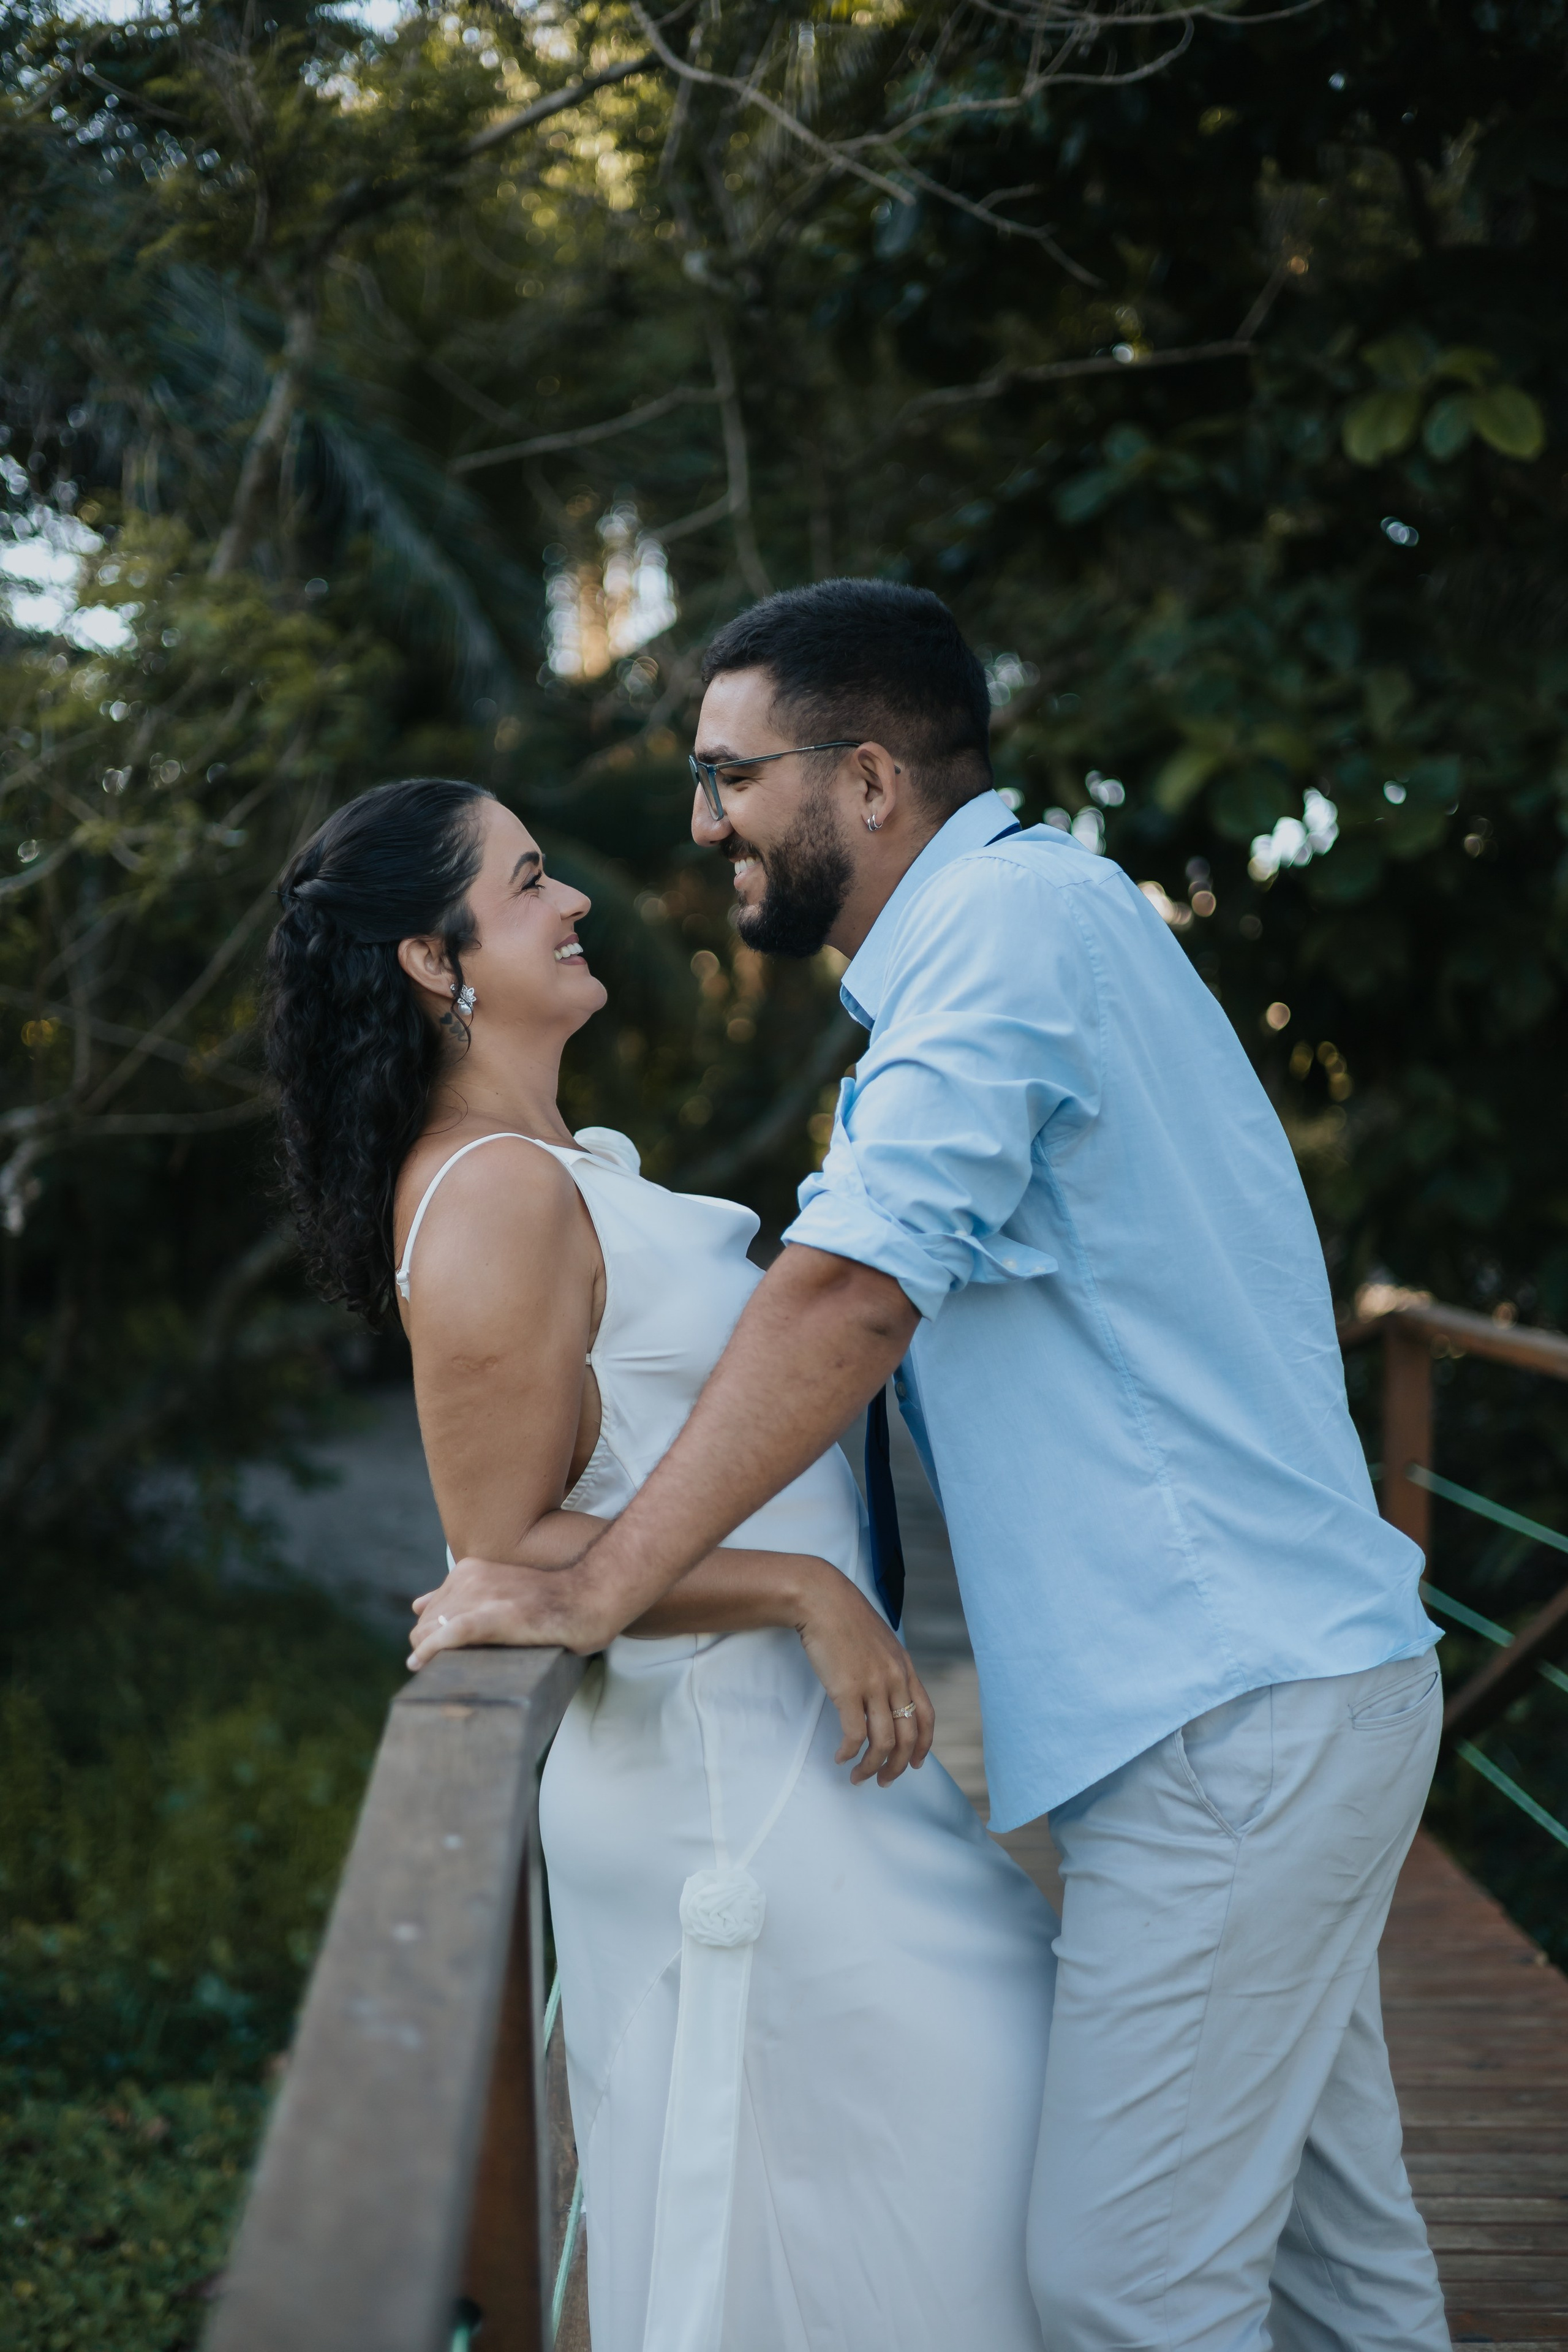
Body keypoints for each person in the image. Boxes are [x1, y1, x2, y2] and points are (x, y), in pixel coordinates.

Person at [416, 582, 1453, 2352]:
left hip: (1230, 1719)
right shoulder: (1034, 929)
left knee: (1126, 2288)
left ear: (869, 781)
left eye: (729, 773)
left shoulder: (1008, 934)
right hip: (1276, 1697)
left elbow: (849, 1294)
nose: (699, 821)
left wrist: (602, 1582)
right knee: (1337, 2281)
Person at [263, 775, 1057, 2352]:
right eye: (529, 881)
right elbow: (502, 1548)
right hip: (719, 1782)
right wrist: (797, 1587)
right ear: (437, 961)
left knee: (947, 2179)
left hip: (792, 1759)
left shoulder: (555, 1164)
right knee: (937, 2167)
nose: (572, 904)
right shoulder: (491, 1194)